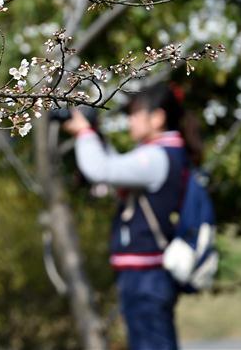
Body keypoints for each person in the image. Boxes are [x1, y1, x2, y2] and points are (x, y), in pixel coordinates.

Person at [63, 82, 202, 350]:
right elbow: (115, 170)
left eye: (135, 113)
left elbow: (101, 171)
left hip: (147, 275)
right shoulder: (161, 153)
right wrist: (96, 136)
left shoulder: (158, 157)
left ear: (158, 117)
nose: (130, 121)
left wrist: (84, 133)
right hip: (145, 274)